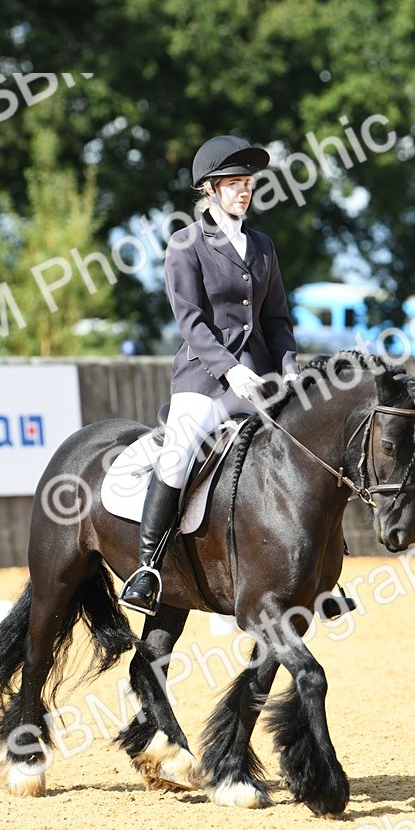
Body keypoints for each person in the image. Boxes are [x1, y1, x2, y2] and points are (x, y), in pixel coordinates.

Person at [119, 134, 300, 615]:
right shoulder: (186, 245)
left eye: (249, 183)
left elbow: (278, 320)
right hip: (204, 380)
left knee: (307, 443)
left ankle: (316, 567)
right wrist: (231, 370)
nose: (245, 191)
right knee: (178, 454)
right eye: (235, 183)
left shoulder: (262, 246)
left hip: (261, 381)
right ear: (210, 189)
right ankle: (148, 568)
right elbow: (191, 322)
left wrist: (289, 371)